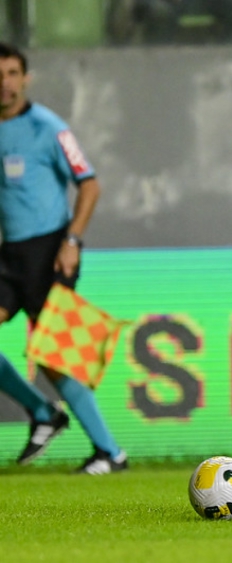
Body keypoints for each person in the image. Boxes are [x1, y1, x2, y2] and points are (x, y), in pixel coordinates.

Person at [0, 42, 128, 474]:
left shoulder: (47, 127)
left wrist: (72, 240)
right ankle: (42, 412)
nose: (5, 83)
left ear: (25, 78)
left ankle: (110, 452)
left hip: (50, 252)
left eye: (13, 73)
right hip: (9, 254)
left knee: (54, 359)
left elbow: (89, 184)